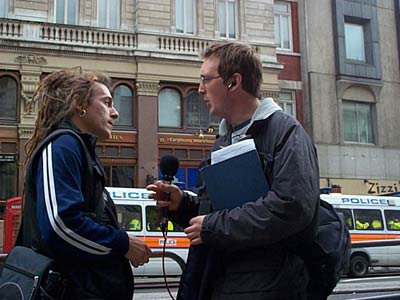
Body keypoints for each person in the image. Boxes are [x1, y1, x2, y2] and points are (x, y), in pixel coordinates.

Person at [147, 41, 320, 300]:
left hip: (268, 288)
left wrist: (213, 227)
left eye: (206, 79)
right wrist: (182, 204)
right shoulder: (223, 139)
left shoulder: (286, 132)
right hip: (221, 280)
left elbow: (291, 207)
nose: (200, 89)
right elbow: (219, 212)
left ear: (233, 82)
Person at [19, 69, 152, 300]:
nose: (116, 113)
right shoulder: (63, 145)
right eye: (107, 103)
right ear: (80, 105)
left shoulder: (79, 148)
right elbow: (60, 226)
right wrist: (123, 244)